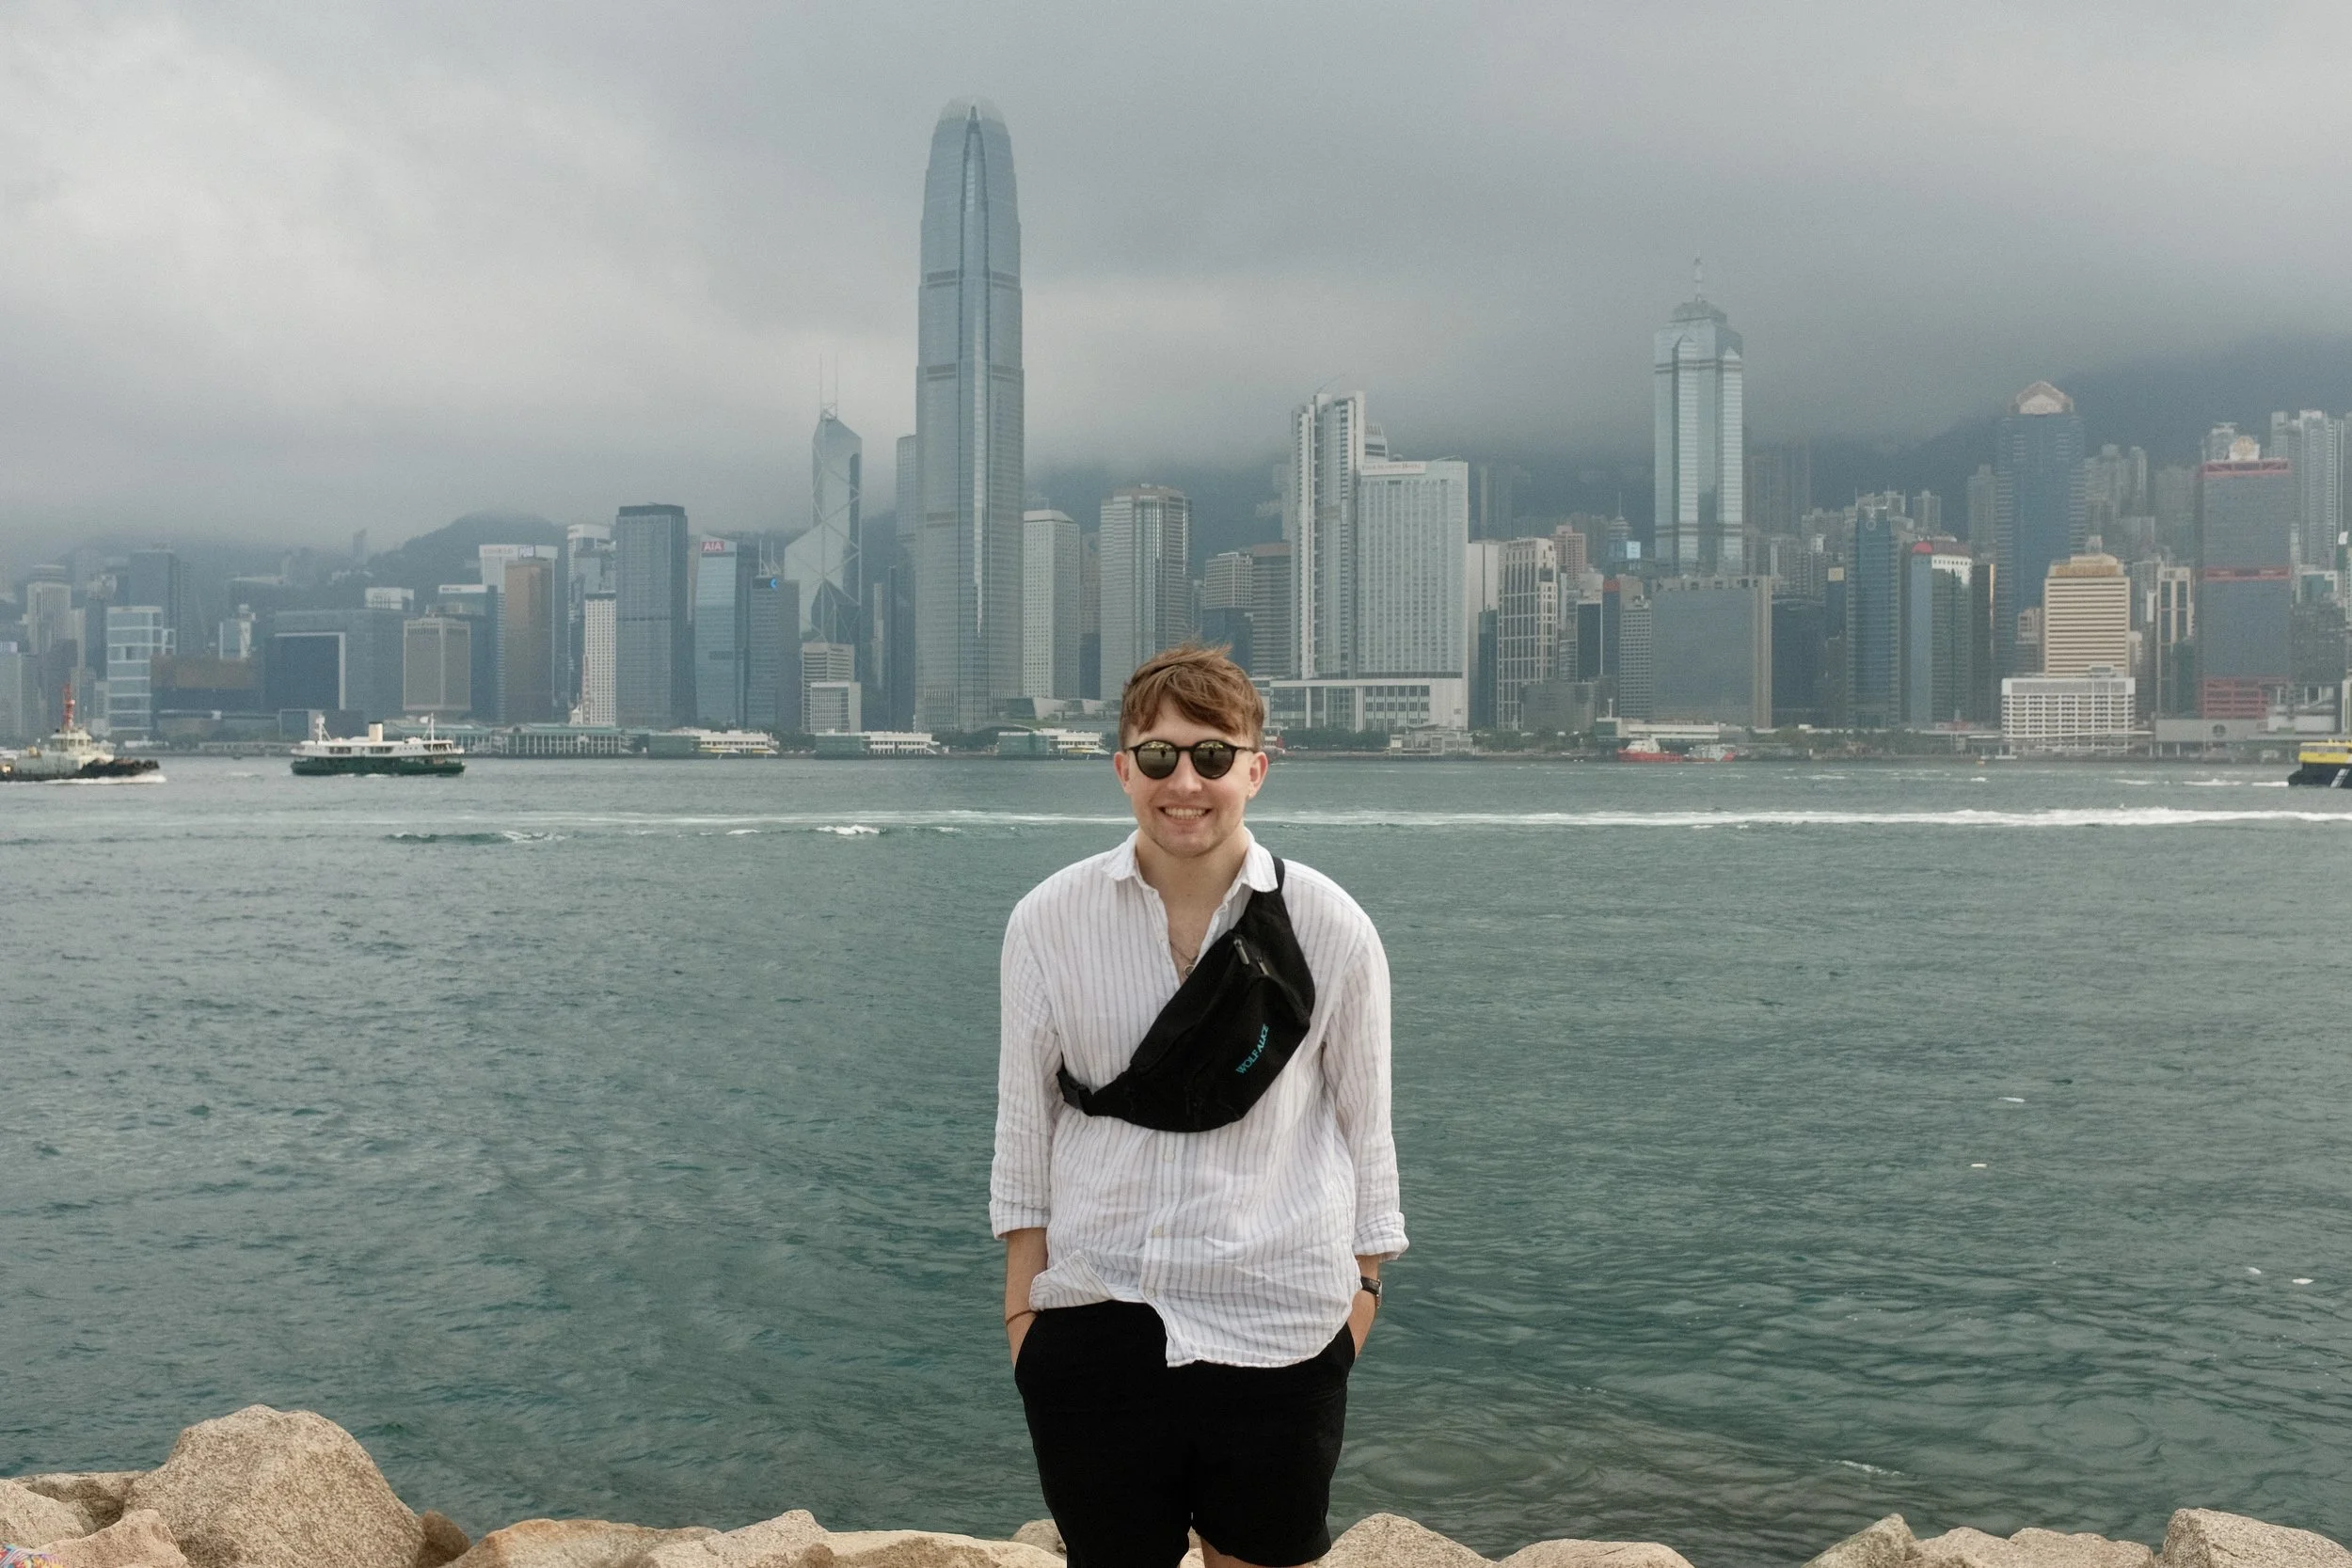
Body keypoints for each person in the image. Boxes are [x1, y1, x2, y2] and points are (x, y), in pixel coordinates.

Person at [991, 644, 1406, 1568]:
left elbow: (1363, 1124)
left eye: (1212, 754)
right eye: (1158, 754)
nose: (1186, 779)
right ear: (1121, 769)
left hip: (1281, 1318)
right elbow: (1026, 1126)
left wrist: (1362, 1294)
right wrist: (1024, 1320)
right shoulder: (1047, 920)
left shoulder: (1328, 924)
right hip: (1096, 1312)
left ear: (1255, 767)